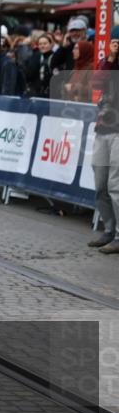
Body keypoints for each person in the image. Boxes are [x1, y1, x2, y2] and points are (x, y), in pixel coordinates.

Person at [89, 34, 119, 254]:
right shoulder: (108, 61)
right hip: (103, 127)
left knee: (115, 186)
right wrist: (111, 57)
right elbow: (96, 82)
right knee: (100, 185)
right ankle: (109, 229)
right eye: (114, 41)